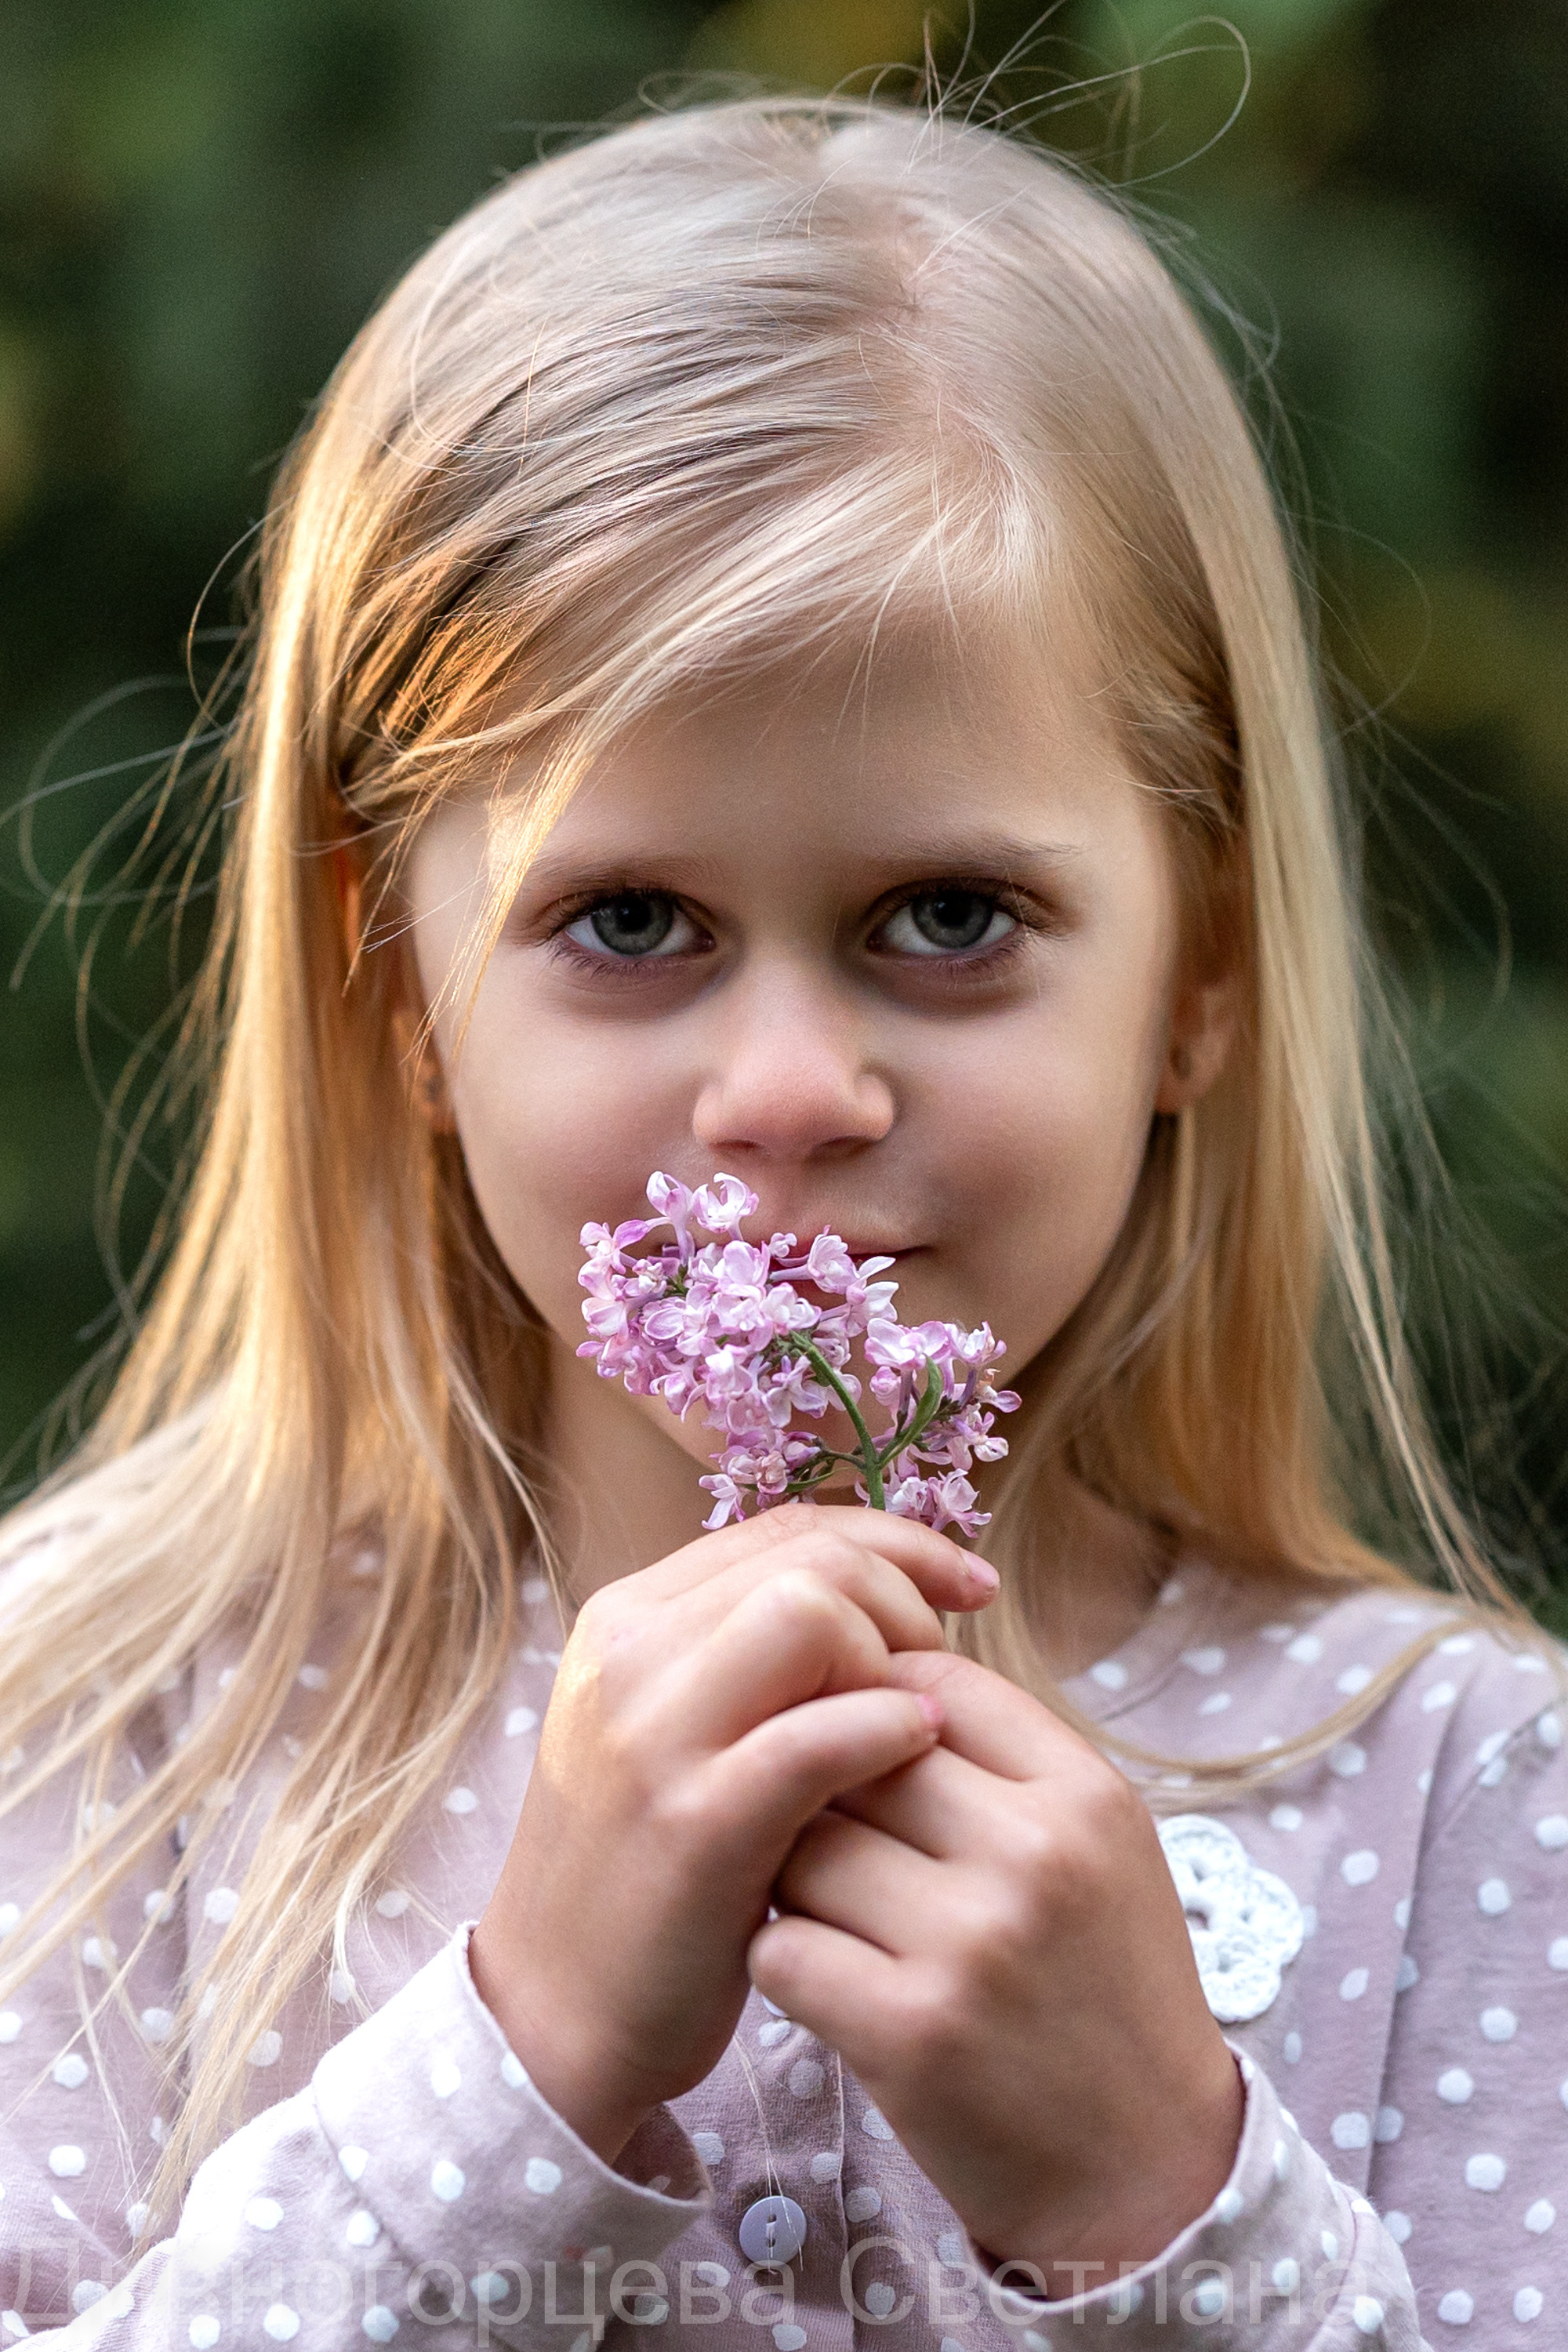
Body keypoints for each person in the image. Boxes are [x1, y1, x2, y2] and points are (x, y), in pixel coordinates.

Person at [0, 93, 1563, 2352]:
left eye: (948, 915)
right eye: (631, 920)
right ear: (399, 991)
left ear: (1197, 971)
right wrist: (513, 2064)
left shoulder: (1453, 1789)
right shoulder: (108, 1723)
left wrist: (1168, 2201)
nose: (792, 1094)